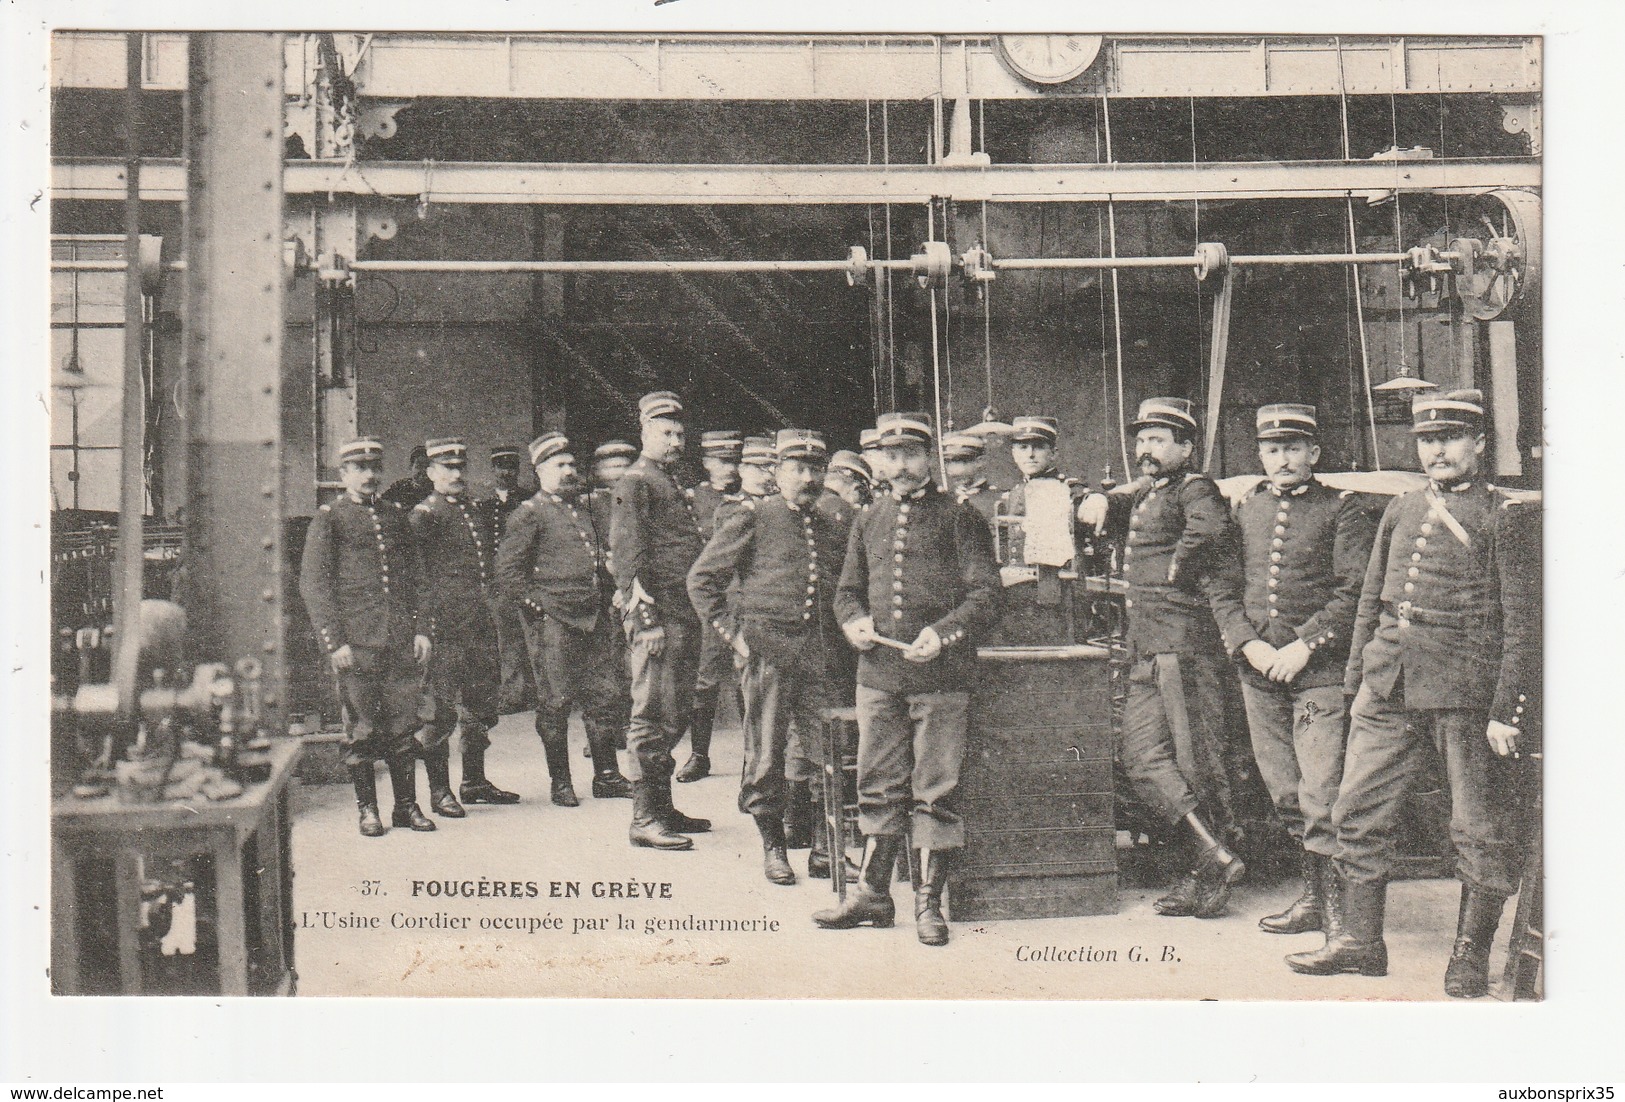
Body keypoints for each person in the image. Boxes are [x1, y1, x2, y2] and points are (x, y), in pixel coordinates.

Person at [1285, 389, 1540, 998]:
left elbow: (1525, 624)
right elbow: (1372, 604)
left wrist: (1508, 710)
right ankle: (1359, 942)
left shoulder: (1507, 514)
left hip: (1466, 691)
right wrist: (1355, 686)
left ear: (1480, 442)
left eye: (1451, 438)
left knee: (1476, 827)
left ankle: (1469, 955)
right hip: (1388, 683)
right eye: (1428, 440)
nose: (1438, 451)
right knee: (1356, 812)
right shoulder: (1400, 509)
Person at [817, 411, 1002, 946]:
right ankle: (874, 895)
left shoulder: (958, 517)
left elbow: (986, 595)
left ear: (929, 458)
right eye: (890, 455)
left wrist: (942, 635)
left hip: (940, 677)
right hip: (878, 676)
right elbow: (846, 591)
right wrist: (853, 622)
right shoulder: (868, 516)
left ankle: (928, 904)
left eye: (910, 455)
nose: (899, 466)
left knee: (935, 790)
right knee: (878, 784)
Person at [1207, 404, 1378, 935]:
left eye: (1294, 449)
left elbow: (1355, 592)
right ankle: (1312, 899)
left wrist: (1305, 646)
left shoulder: (1342, 509)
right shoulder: (1246, 508)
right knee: (1283, 789)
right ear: (1261, 454)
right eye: (1273, 450)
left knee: (1320, 790)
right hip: (1259, 672)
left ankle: (1334, 913)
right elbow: (1221, 585)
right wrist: (1246, 644)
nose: (1283, 459)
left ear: (1314, 454)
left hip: (1318, 675)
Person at [1077, 397, 1246, 919]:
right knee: (1142, 759)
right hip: (1147, 649)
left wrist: (1175, 571)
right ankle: (1212, 854)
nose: (1145, 450)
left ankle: (1207, 879)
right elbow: (1102, 501)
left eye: (1158, 440)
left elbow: (1213, 530)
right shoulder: (1154, 492)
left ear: (1186, 447)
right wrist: (1098, 497)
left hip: (1184, 648)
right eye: (1142, 440)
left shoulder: (1196, 488)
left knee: (1198, 763)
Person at [688, 429, 845, 884]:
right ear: (777, 472)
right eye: (798, 468)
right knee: (766, 754)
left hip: (817, 655)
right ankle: (773, 849)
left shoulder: (829, 523)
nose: (808, 478)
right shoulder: (753, 516)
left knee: (823, 752)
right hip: (767, 654)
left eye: (816, 469)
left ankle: (822, 850)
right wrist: (734, 637)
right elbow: (702, 581)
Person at [298, 437, 435, 836]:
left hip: (397, 639)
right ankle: (367, 810)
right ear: (343, 475)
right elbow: (314, 585)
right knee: (362, 729)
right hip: (355, 644)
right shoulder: (330, 518)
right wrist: (334, 642)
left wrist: (422, 628)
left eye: (375, 468)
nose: (370, 475)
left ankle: (406, 808)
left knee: (403, 725)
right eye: (360, 468)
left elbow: (416, 579)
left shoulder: (395, 516)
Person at [496, 433, 634, 805]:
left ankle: (606, 776)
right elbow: (508, 573)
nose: (569, 471)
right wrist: (539, 608)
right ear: (540, 471)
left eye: (572, 464)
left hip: (593, 617)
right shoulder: (528, 513)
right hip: (554, 621)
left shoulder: (585, 508)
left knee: (604, 695)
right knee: (555, 700)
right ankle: (561, 782)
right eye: (560, 465)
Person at [610, 392, 713, 850]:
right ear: (644, 433)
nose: (675, 441)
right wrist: (647, 620)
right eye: (665, 433)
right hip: (659, 619)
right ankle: (644, 817)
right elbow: (626, 559)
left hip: (681, 613)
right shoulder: (635, 482)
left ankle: (663, 806)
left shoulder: (667, 480)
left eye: (679, 433)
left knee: (673, 712)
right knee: (651, 715)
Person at [410, 437, 520, 816]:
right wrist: (423, 626)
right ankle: (440, 792)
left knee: (481, 702)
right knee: (439, 710)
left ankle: (474, 781)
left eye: (460, 467)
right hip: (444, 627)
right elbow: (417, 579)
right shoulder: (424, 515)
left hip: (477, 621)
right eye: (447, 468)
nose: (456, 474)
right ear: (430, 473)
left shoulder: (473, 510)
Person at [676, 429, 743, 784]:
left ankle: (754, 755)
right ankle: (699, 755)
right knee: (705, 680)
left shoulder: (753, 498)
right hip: (713, 600)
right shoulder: (692, 501)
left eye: (735, 461)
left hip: (745, 597)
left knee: (750, 678)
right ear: (706, 463)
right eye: (723, 461)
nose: (730, 469)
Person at [994, 415, 1087, 643]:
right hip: (1017, 591)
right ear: (1014, 454)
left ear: (1053, 453)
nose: (1030, 454)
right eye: (1023, 447)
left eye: (1038, 447)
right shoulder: (1014, 493)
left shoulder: (1068, 489)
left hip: (1054, 591)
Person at [586, 440, 639, 760]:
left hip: (631, 589)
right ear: (597, 471)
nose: (617, 472)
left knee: (632, 661)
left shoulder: (637, 498)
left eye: (624, 466)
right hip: (600, 592)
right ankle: (604, 731)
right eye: (610, 466)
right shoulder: (588, 503)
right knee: (604, 663)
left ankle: (632, 725)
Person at [484, 445, 535, 716]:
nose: (506, 472)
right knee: (507, 640)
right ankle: (513, 693)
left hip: (526, 580)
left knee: (533, 637)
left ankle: (537, 692)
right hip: (499, 583)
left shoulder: (529, 500)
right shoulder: (484, 505)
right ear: (493, 470)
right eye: (501, 467)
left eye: (511, 467)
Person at [943, 431, 1001, 527]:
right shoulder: (944, 502)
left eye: (957, 461)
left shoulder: (996, 501)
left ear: (980, 462)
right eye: (947, 462)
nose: (951, 470)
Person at [382, 443, 433, 509]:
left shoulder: (436, 490)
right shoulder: (399, 488)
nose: (423, 471)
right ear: (411, 467)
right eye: (419, 466)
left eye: (427, 466)